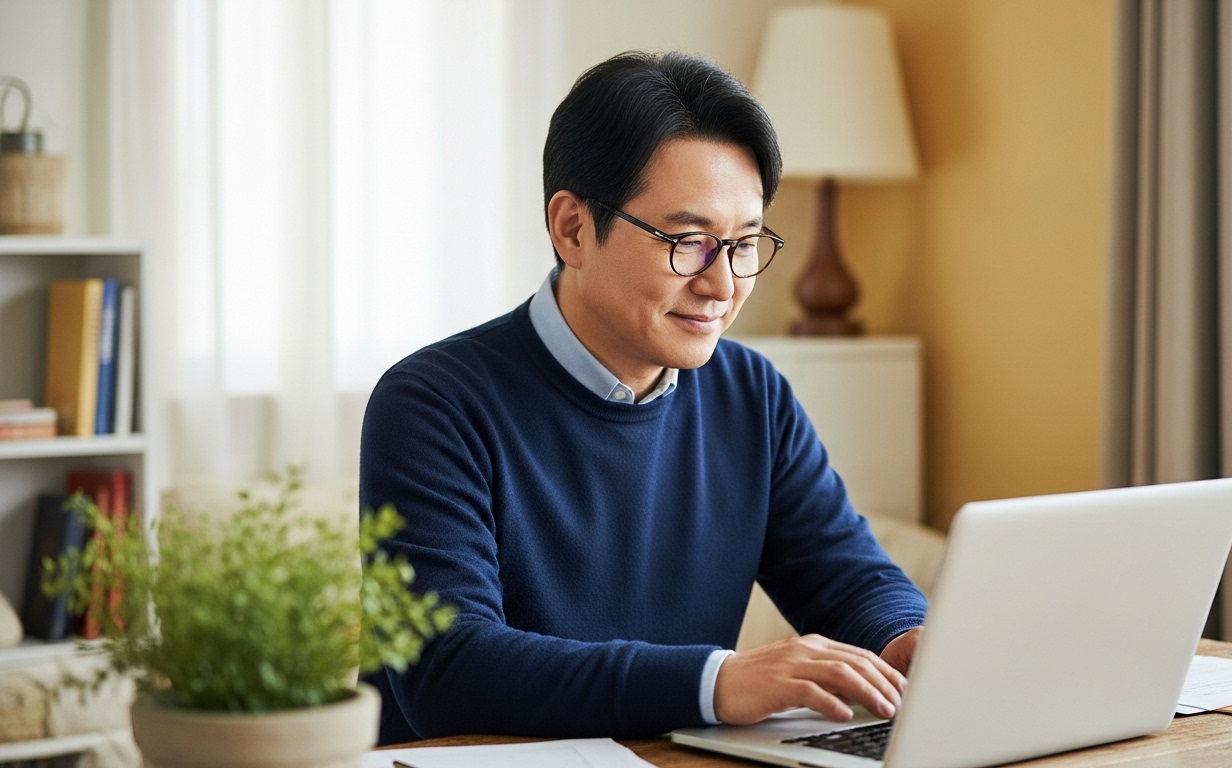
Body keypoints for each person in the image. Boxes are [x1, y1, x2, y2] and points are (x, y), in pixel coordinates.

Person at [360, 51, 927, 744]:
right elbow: (447, 673)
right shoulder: (433, 403)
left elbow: (848, 579)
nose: (722, 286)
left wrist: (909, 640)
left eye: (744, 243)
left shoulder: (753, 396)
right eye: (688, 242)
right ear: (572, 228)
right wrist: (717, 682)